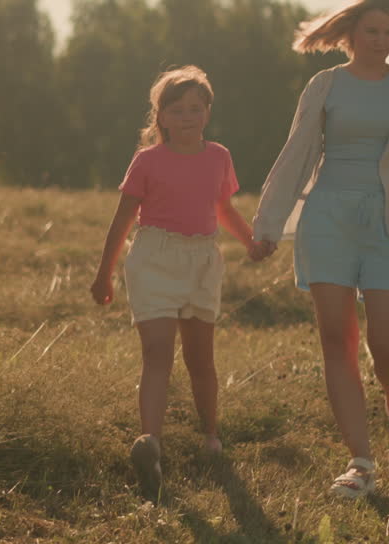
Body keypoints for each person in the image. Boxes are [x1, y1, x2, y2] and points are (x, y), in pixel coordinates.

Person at [251, 0, 389, 499]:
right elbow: (296, 154)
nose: (381, 41)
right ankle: (360, 464)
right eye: (372, 32)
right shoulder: (325, 85)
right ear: (350, 35)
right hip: (329, 222)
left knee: (388, 345)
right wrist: (269, 225)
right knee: (336, 343)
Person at [90, 66, 256, 502]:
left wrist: (252, 242)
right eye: (177, 110)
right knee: (157, 354)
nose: (187, 117)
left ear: (207, 113)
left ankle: (210, 435)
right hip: (154, 260)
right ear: (160, 116)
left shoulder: (218, 156)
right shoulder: (148, 161)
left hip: (202, 261)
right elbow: (123, 219)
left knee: (201, 358)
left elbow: (224, 208)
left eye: (195, 109)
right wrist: (104, 272)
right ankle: (151, 445)